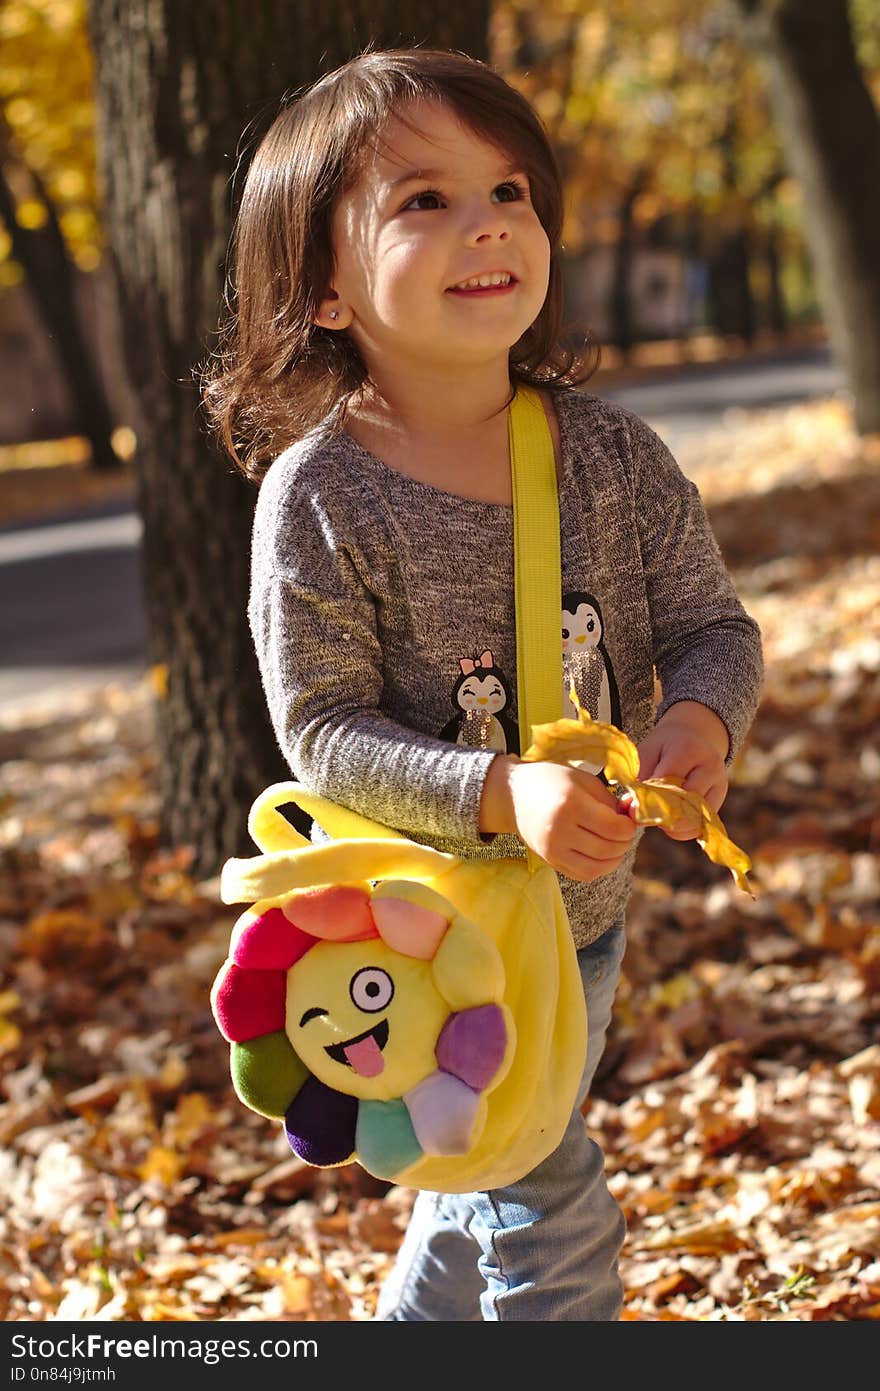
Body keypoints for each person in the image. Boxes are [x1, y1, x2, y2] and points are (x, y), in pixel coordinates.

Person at [202, 47, 763, 1322]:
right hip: (429, 930)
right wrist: (501, 793)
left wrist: (695, 713)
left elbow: (714, 626)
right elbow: (322, 731)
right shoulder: (324, 495)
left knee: (493, 1167)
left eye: (509, 190)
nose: (489, 223)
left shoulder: (612, 457)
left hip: (587, 921)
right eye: (424, 201)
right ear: (323, 292)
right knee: (548, 1206)